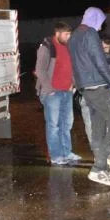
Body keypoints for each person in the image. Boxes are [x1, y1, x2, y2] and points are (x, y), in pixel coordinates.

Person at [68, 7, 110, 186]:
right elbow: (99, 61)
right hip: (99, 87)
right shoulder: (90, 33)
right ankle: (99, 167)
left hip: (86, 89)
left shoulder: (74, 36)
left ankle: (104, 170)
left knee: (98, 130)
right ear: (94, 19)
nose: (100, 27)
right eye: (100, 22)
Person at [34, 21, 82, 166]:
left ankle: (66, 152)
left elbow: (72, 67)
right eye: (66, 34)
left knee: (66, 124)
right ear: (58, 33)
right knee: (53, 125)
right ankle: (56, 155)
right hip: (52, 93)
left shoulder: (69, 47)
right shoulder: (47, 47)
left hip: (67, 91)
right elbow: (40, 70)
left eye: (70, 34)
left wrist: (73, 84)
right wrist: (49, 90)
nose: (68, 37)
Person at [79, 34, 110, 169]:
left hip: (106, 97)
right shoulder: (87, 58)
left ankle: (105, 157)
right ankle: (99, 157)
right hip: (90, 98)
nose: (105, 51)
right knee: (92, 128)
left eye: (107, 48)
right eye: (102, 48)